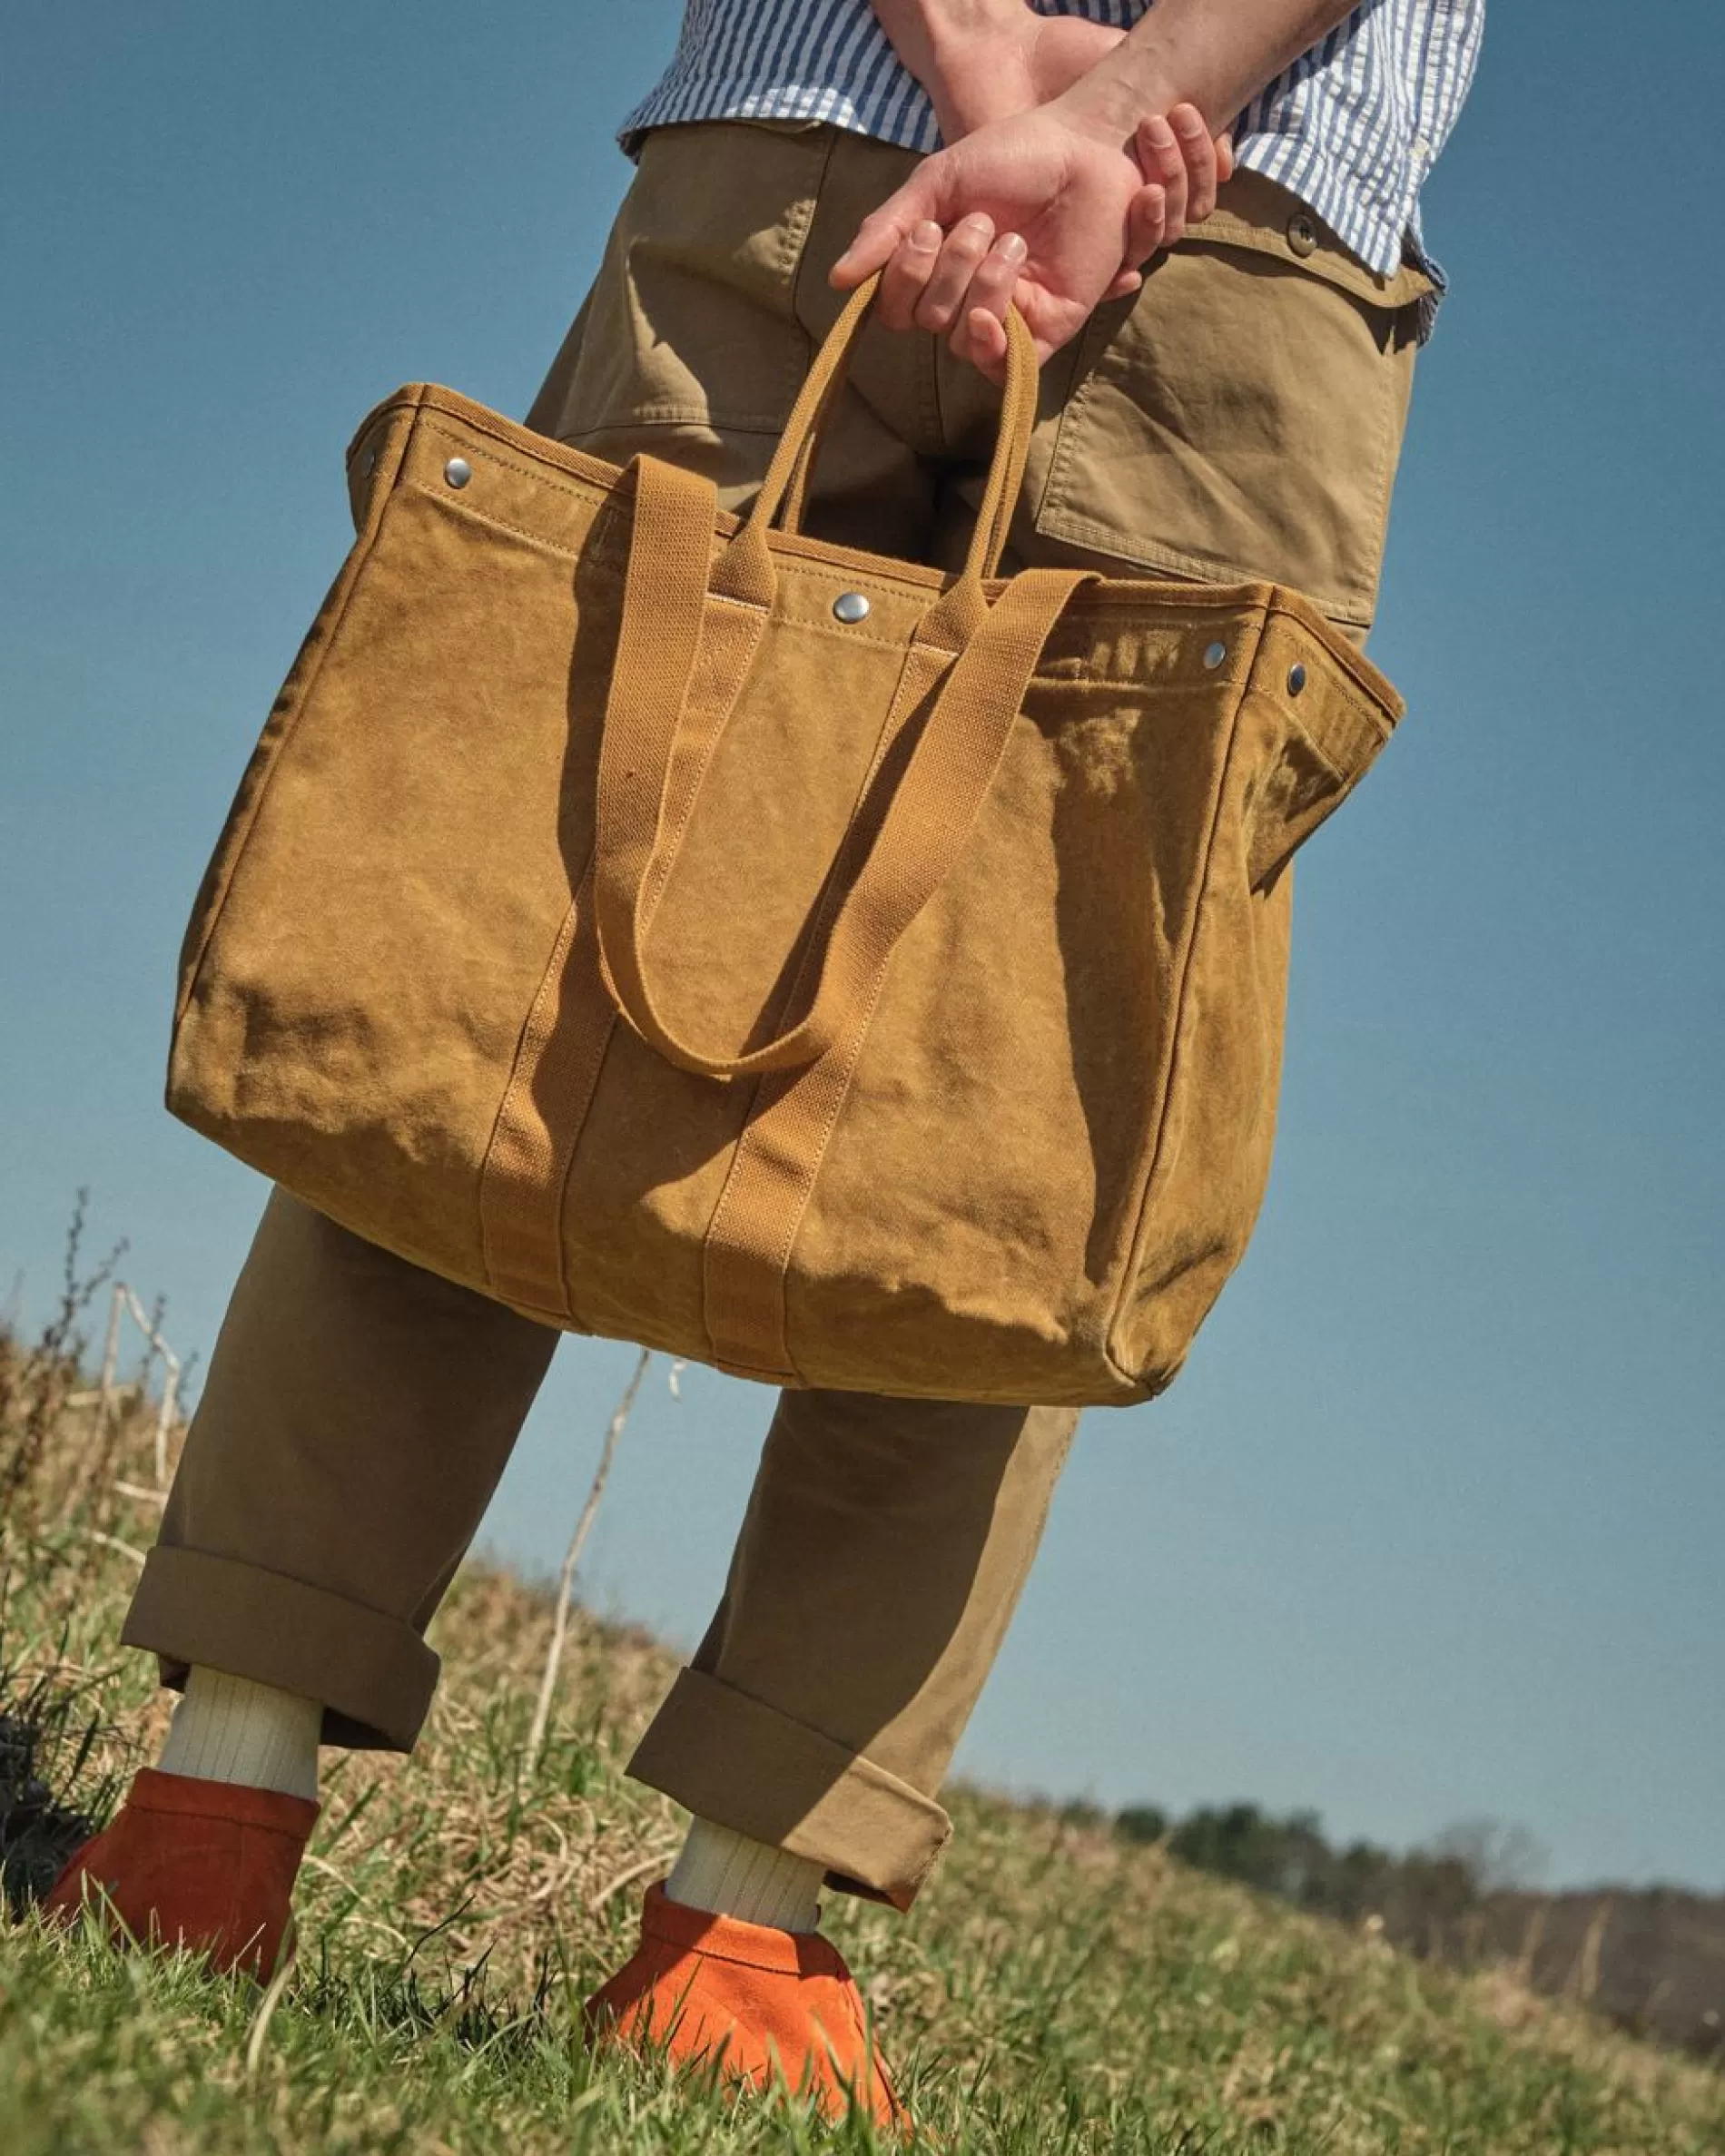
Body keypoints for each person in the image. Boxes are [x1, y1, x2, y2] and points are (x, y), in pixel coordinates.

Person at [44, 0, 1483, 2130]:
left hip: (812, 132)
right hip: (1242, 208)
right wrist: (1106, 108)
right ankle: (736, 1939)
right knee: (1017, 1116)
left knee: (490, 974)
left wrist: (982, 61)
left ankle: (209, 1811)